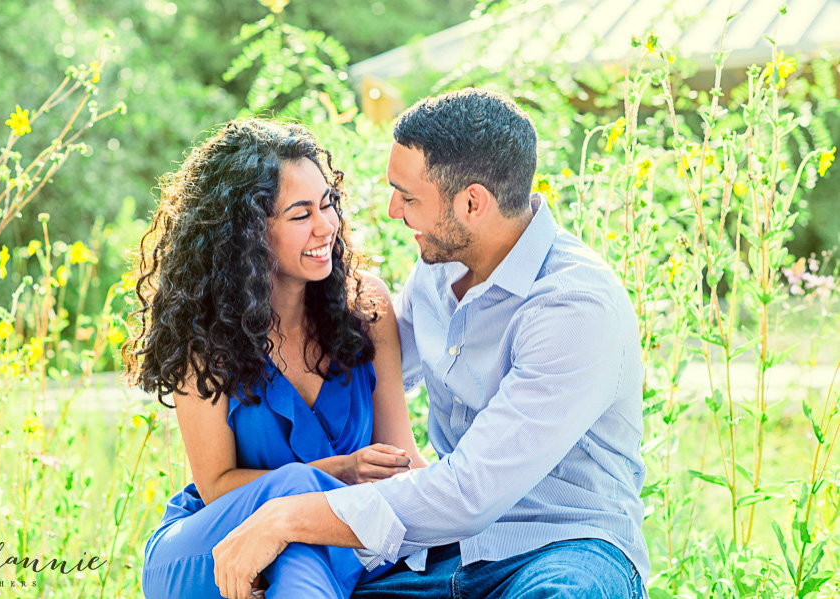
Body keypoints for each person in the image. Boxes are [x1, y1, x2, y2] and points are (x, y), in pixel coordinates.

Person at [211, 88, 650, 599]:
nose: (394, 209)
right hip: (447, 554)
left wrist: (287, 517)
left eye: (408, 195)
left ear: (472, 203)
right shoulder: (437, 275)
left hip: (565, 548)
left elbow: (470, 492)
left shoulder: (573, 307)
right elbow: (368, 364)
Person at [123, 118, 427, 598]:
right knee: (295, 494)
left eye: (328, 204)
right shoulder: (206, 337)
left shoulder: (368, 308)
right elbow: (217, 484)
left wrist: (484, 502)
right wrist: (342, 471)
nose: (327, 225)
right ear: (248, 234)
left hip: (323, 542)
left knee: (298, 536)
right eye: (301, 213)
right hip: (211, 545)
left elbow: (401, 458)